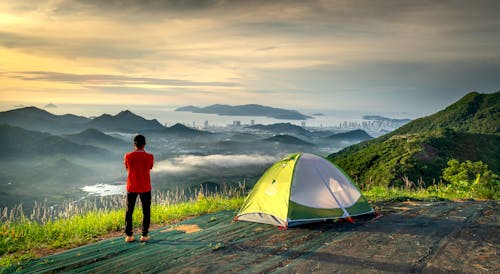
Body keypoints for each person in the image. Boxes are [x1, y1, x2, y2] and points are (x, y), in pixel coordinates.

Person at [124, 134, 154, 242]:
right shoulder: (149, 156)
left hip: (131, 186)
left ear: (134, 144)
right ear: (144, 144)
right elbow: (150, 167)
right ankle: (144, 235)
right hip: (145, 187)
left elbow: (127, 168)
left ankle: (129, 236)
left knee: (129, 211)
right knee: (146, 211)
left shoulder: (128, 156)